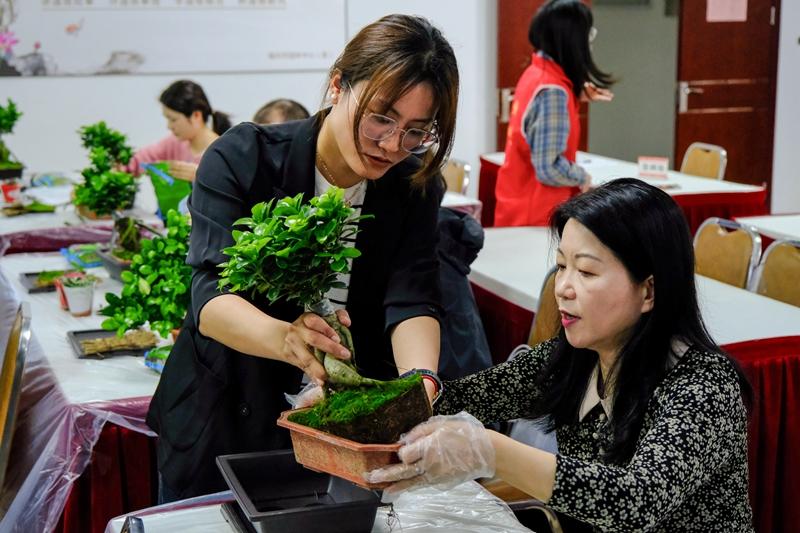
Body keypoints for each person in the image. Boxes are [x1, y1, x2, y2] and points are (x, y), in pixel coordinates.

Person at [146, 14, 459, 501]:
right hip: (225, 413)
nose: (393, 145)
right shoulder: (244, 158)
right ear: (338, 85)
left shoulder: (412, 184)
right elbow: (210, 297)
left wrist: (418, 384)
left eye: (417, 131)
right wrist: (286, 338)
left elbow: (413, 297)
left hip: (336, 429)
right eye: (380, 117)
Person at [367, 178, 755, 532]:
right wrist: (358, 399)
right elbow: (460, 396)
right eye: (561, 267)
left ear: (649, 291)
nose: (564, 288)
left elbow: (637, 500)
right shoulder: (576, 356)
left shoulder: (704, 385)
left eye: (586, 272)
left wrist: (488, 449)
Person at [494, 0, 614, 227]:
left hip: (518, 205)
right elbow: (549, 168)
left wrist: (575, 92)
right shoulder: (553, 92)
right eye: (589, 34)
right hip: (539, 213)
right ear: (573, 40)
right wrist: (583, 178)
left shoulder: (536, 73)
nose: (591, 41)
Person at [125, 79, 232, 182]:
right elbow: (142, 159)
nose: (169, 126)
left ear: (196, 115)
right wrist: (123, 167)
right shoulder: (174, 143)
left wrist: (201, 177)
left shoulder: (224, 152)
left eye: (173, 119)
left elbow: (234, 191)